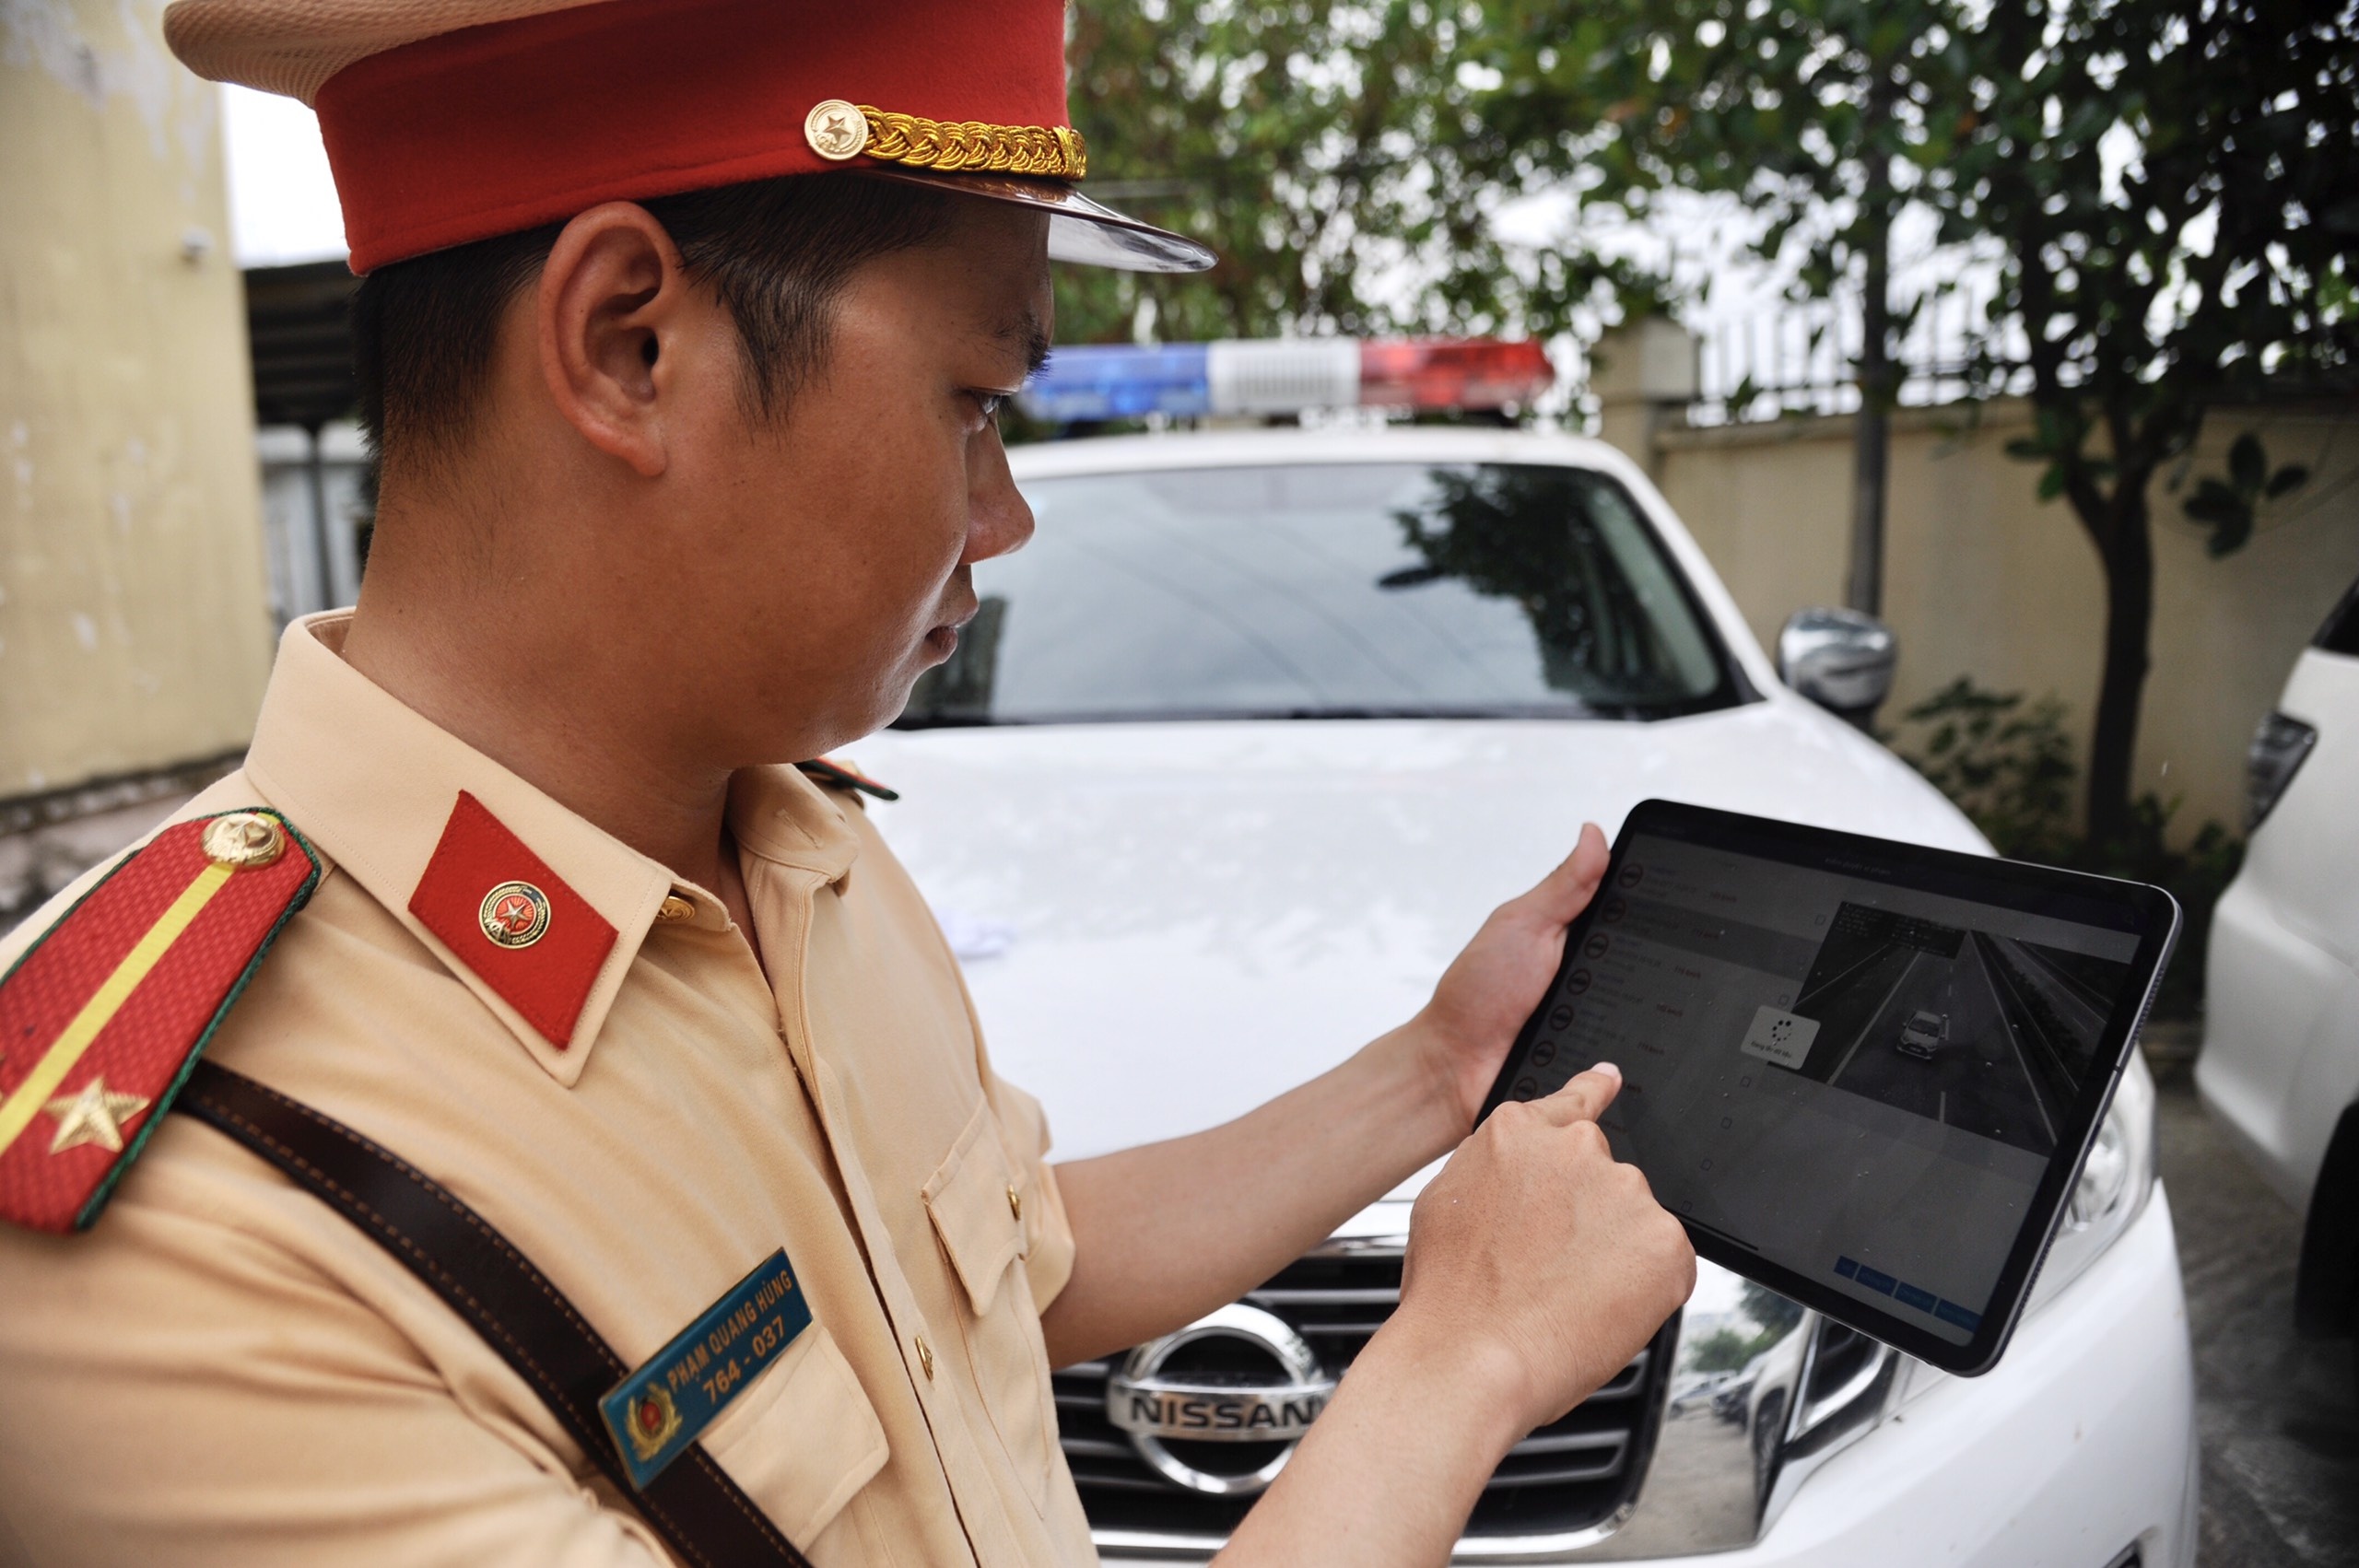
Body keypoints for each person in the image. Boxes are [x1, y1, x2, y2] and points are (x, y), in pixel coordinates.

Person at [0, 2, 1696, 1564]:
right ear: (628, 345)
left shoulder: (790, 846)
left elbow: (1003, 1265)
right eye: (974, 399)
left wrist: (1433, 1069)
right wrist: (1458, 1364)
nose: (1009, 511)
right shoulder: (182, 1226)